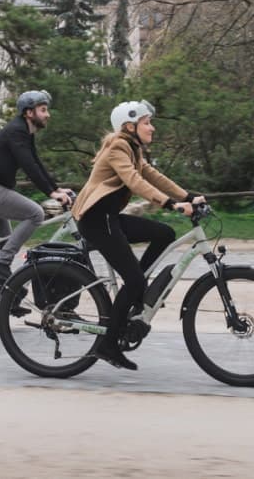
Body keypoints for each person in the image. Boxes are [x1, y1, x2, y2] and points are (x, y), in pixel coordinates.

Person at [71, 100, 204, 371]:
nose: (152, 128)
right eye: (146, 123)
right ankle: (108, 345)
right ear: (129, 126)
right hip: (97, 221)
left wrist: (188, 196)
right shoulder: (119, 146)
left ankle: (136, 288)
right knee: (133, 281)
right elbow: (134, 181)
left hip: (110, 218)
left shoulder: (132, 148)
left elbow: (154, 176)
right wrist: (170, 204)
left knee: (164, 233)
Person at [0, 90, 73, 283]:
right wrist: (51, 192)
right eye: (43, 110)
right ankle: (1, 263)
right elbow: (28, 165)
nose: (48, 114)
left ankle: (5, 301)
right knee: (36, 214)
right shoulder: (17, 131)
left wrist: (56, 189)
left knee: (4, 246)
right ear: (29, 113)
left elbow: (35, 162)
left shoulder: (24, 131)